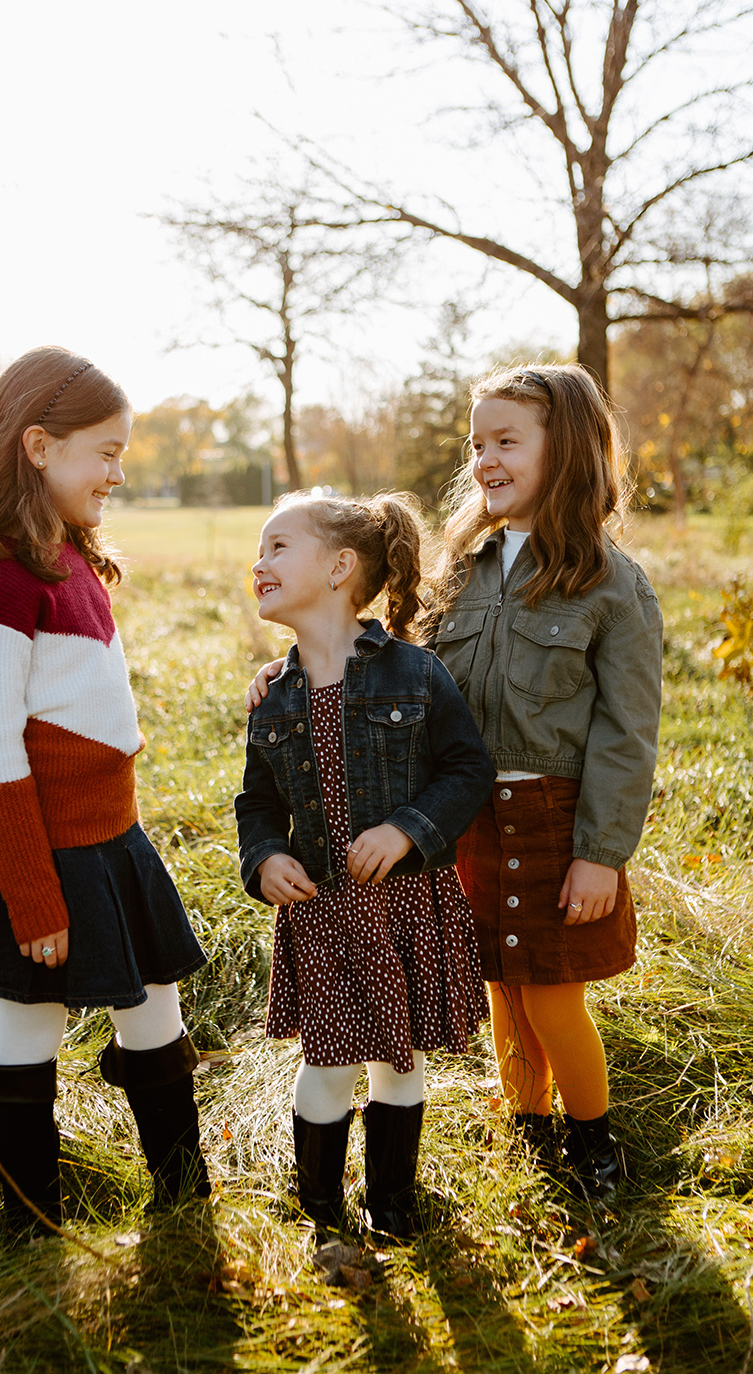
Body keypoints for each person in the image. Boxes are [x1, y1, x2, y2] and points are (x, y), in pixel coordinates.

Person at [0, 346, 210, 1233]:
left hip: (108, 841)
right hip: (38, 853)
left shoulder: (65, 556)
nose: (119, 473)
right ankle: (30, 1223)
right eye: (107, 452)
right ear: (39, 446)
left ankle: (183, 1196)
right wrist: (32, 894)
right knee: (30, 1025)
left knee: (153, 1006)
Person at [423, 363, 663, 1202]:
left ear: (564, 451)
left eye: (506, 441)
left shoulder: (607, 580)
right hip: (470, 817)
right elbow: (393, 660)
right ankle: (524, 1125)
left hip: (557, 820)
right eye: (476, 442)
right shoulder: (459, 569)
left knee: (553, 995)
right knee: (500, 985)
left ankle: (591, 1140)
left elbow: (626, 735)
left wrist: (600, 854)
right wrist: (291, 668)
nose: (484, 458)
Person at [235, 491, 495, 1238]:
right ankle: (318, 1210)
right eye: (260, 550)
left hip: (402, 905)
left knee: (399, 1061)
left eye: (279, 546)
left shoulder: (412, 675)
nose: (260, 562)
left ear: (341, 566)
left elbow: (465, 771)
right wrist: (265, 856)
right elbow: (256, 804)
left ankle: (392, 1208)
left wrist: (406, 830)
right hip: (319, 912)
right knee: (325, 1061)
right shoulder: (273, 697)